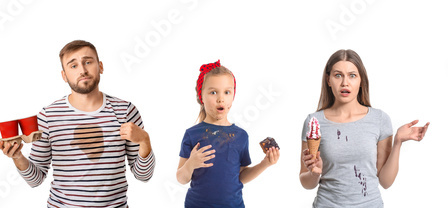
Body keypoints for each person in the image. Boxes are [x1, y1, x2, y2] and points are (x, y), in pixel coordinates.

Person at [0, 40, 155, 207]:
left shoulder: (125, 111)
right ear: (64, 75)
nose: (82, 70)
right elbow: (36, 180)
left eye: (88, 62)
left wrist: (145, 141)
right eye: (73, 66)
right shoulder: (48, 116)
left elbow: (143, 176)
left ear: (100, 66)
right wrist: (17, 157)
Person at [298, 49, 430, 207]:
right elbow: (306, 183)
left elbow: (386, 182)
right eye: (338, 75)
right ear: (328, 80)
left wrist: (398, 143)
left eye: (352, 75)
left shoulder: (379, 119)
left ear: (361, 80)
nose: (345, 82)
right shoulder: (314, 122)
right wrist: (314, 173)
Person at [175, 60, 279, 207]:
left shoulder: (241, 136)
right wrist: (190, 164)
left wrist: (265, 164)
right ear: (201, 97)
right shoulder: (192, 134)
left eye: (227, 92)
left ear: (233, 96)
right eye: (213, 92)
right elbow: (181, 178)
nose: (220, 98)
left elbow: (241, 176)